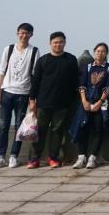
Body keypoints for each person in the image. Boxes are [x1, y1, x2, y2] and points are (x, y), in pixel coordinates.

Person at [26, 31, 78, 169]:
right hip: (43, 102)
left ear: (65, 43)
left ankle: (53, 157)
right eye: (55, 42)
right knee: (40, 131)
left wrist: (72, 101)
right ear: (50, 44)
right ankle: (34, 158)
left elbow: (75, 81)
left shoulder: (71, 59)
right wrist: (32, 100)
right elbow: (35, 82)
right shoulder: (43, 60)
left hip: (62, 103)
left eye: (61, 42)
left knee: (57, 131)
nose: (58, 45)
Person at [0, 22, 37, 169]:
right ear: (17, 33)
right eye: (22, 32)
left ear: (31, 34)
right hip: (7, 91)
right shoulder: (9, 49)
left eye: (27, 33)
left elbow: (35, 75)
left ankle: (13, 156)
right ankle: (0, 157)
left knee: (19, 126)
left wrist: (33, 98)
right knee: (3, 125)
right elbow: (1, 70)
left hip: (23, 93)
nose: (24, 35)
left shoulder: (34, 51)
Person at [74, 42, 109, 169]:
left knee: (99, 129)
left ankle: (93, 157)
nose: (100, 53)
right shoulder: (87, 67)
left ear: (106, 54)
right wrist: (84, 101)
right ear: (94, 52)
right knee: (82, 128)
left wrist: (99, 102)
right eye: (98, 51)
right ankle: (81, 157)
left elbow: (108, 88)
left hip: (101, 103)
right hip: (86, 101)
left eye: (103, 51)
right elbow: (82, 85)